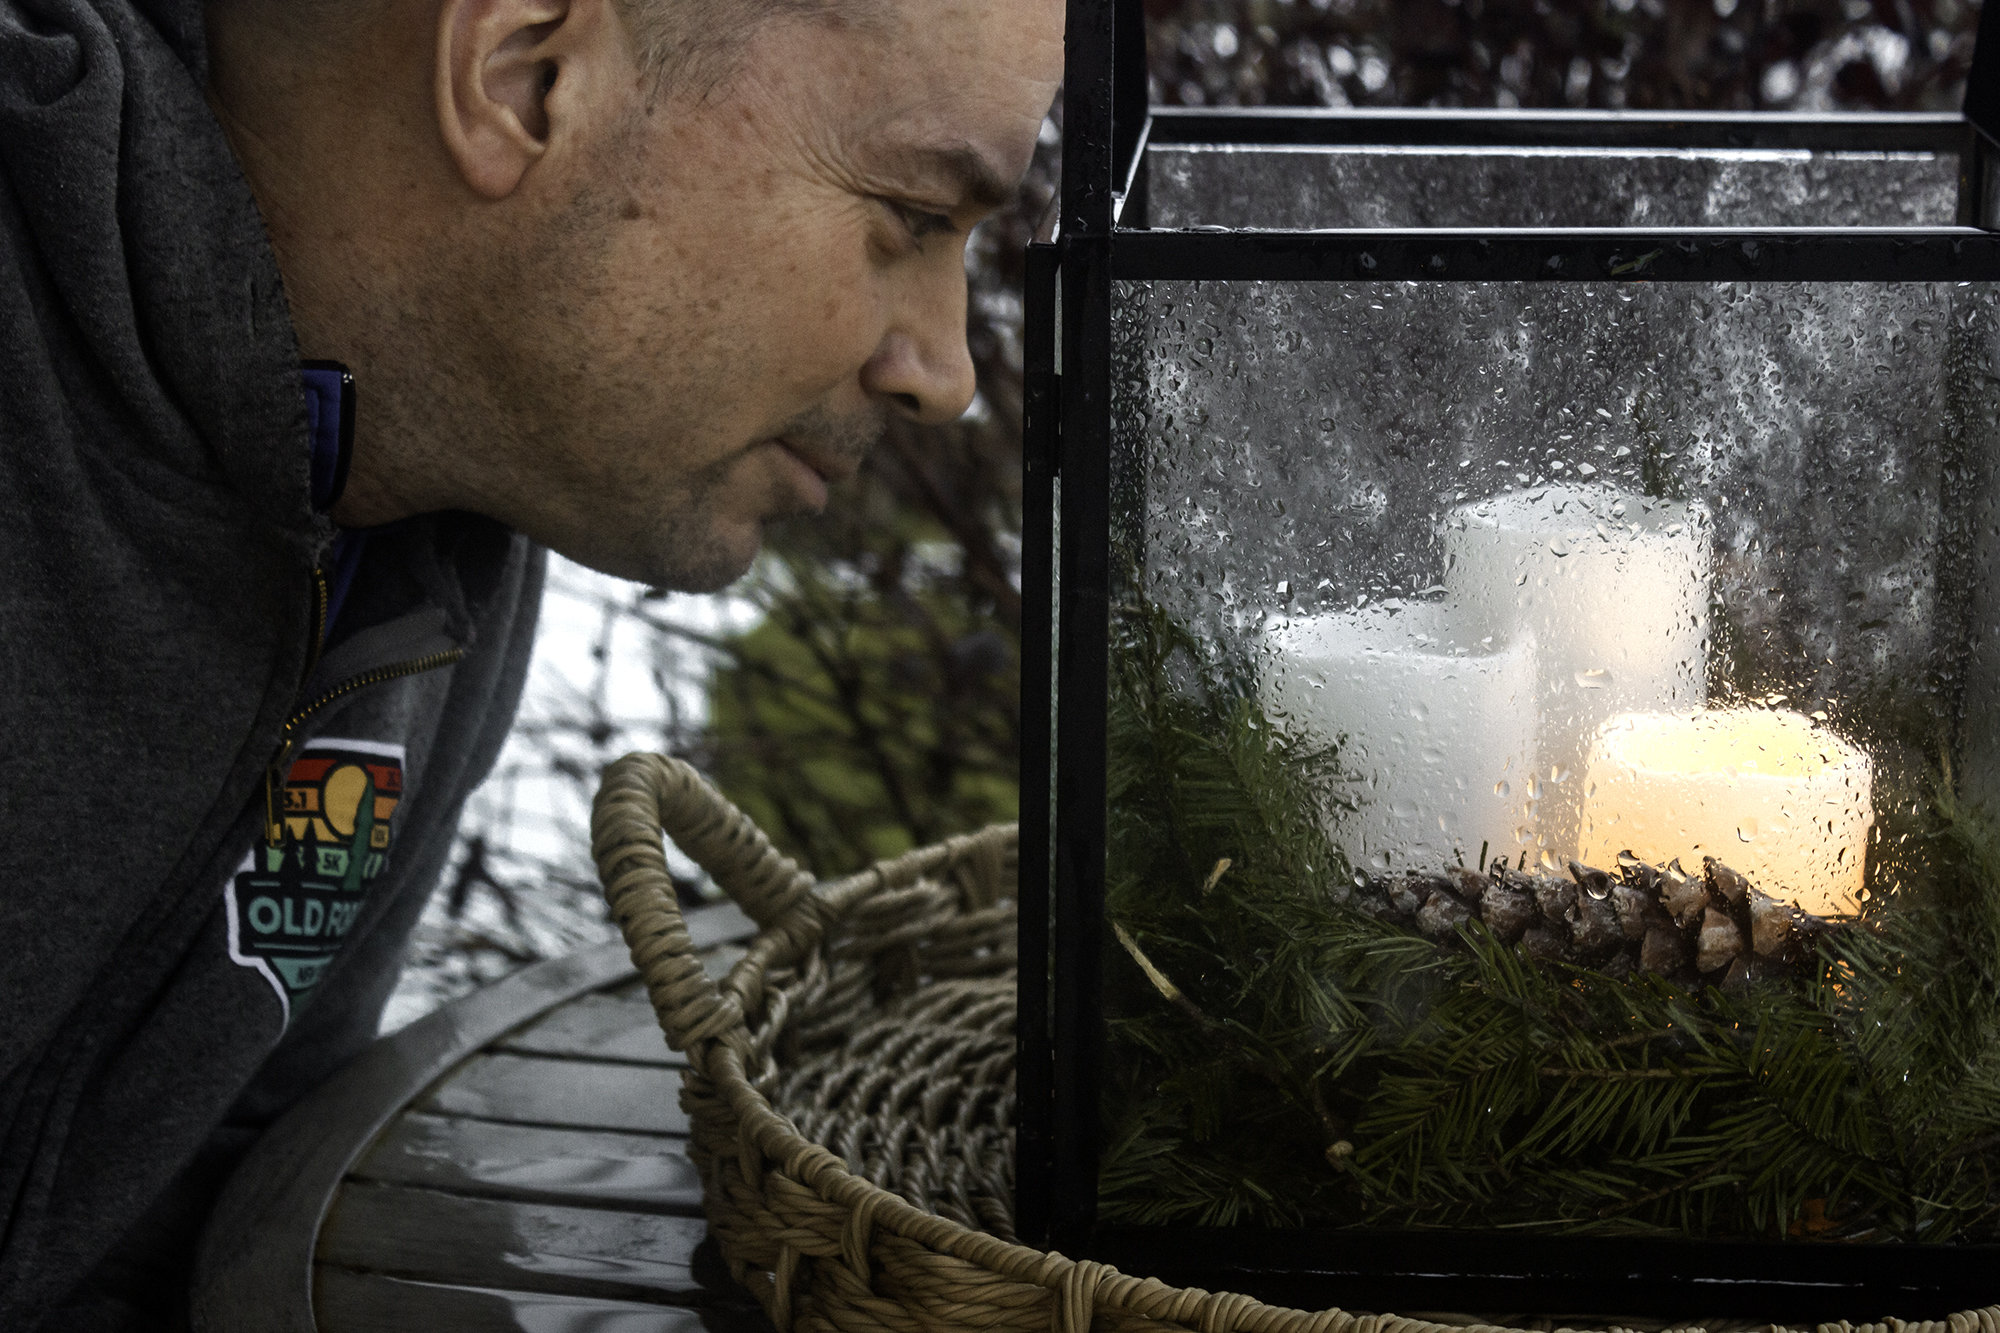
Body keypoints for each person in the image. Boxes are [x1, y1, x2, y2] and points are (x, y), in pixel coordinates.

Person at [0, 0, 1062, 1324]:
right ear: (526, 77)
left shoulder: (427, 500)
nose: (945, 372)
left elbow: (210, 1214)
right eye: (911, 215)